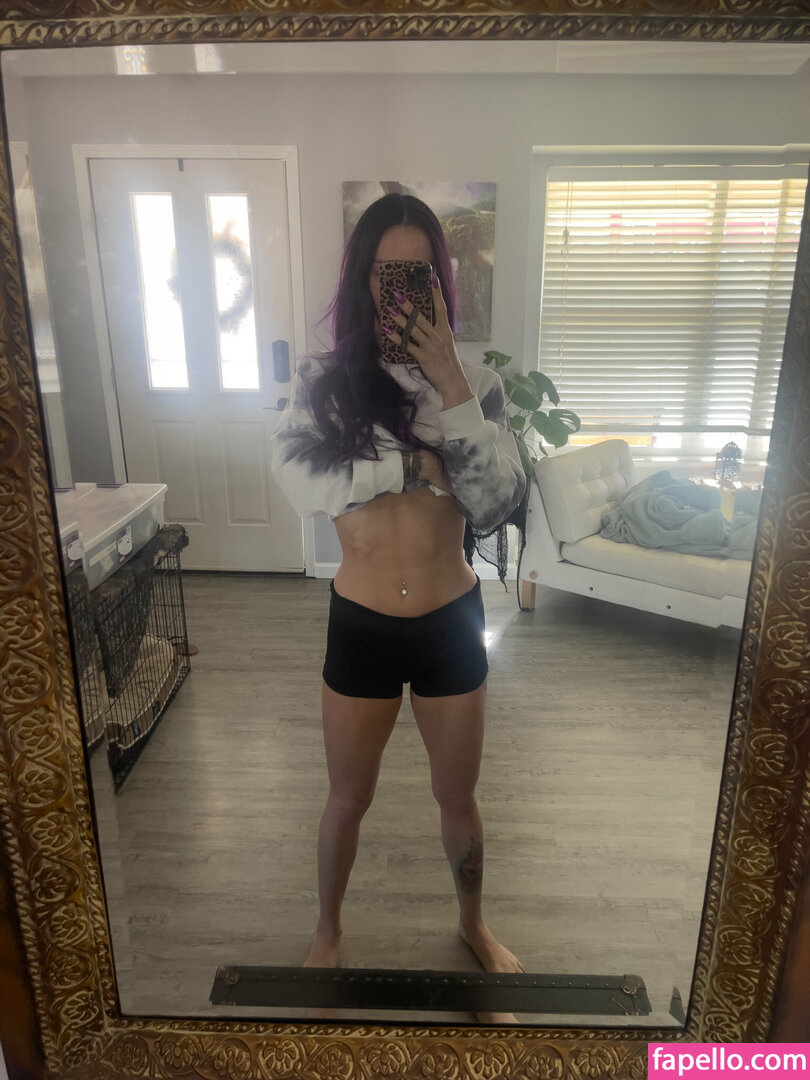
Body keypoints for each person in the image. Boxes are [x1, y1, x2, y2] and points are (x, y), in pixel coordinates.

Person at [269, 193, 527, 1018]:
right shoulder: (325, 385)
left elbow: (496, 500)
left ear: (441, 282)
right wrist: (414, 471)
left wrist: (449, 381)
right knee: (347, 797)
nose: (400, 290)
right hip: (362, 622)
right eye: (387, 273)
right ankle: (326, 930)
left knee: (458, 798)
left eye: (417, 274)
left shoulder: (477, 386)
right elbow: (303, 483)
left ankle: (473, 923)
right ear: (363, 280)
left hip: (452, 622)